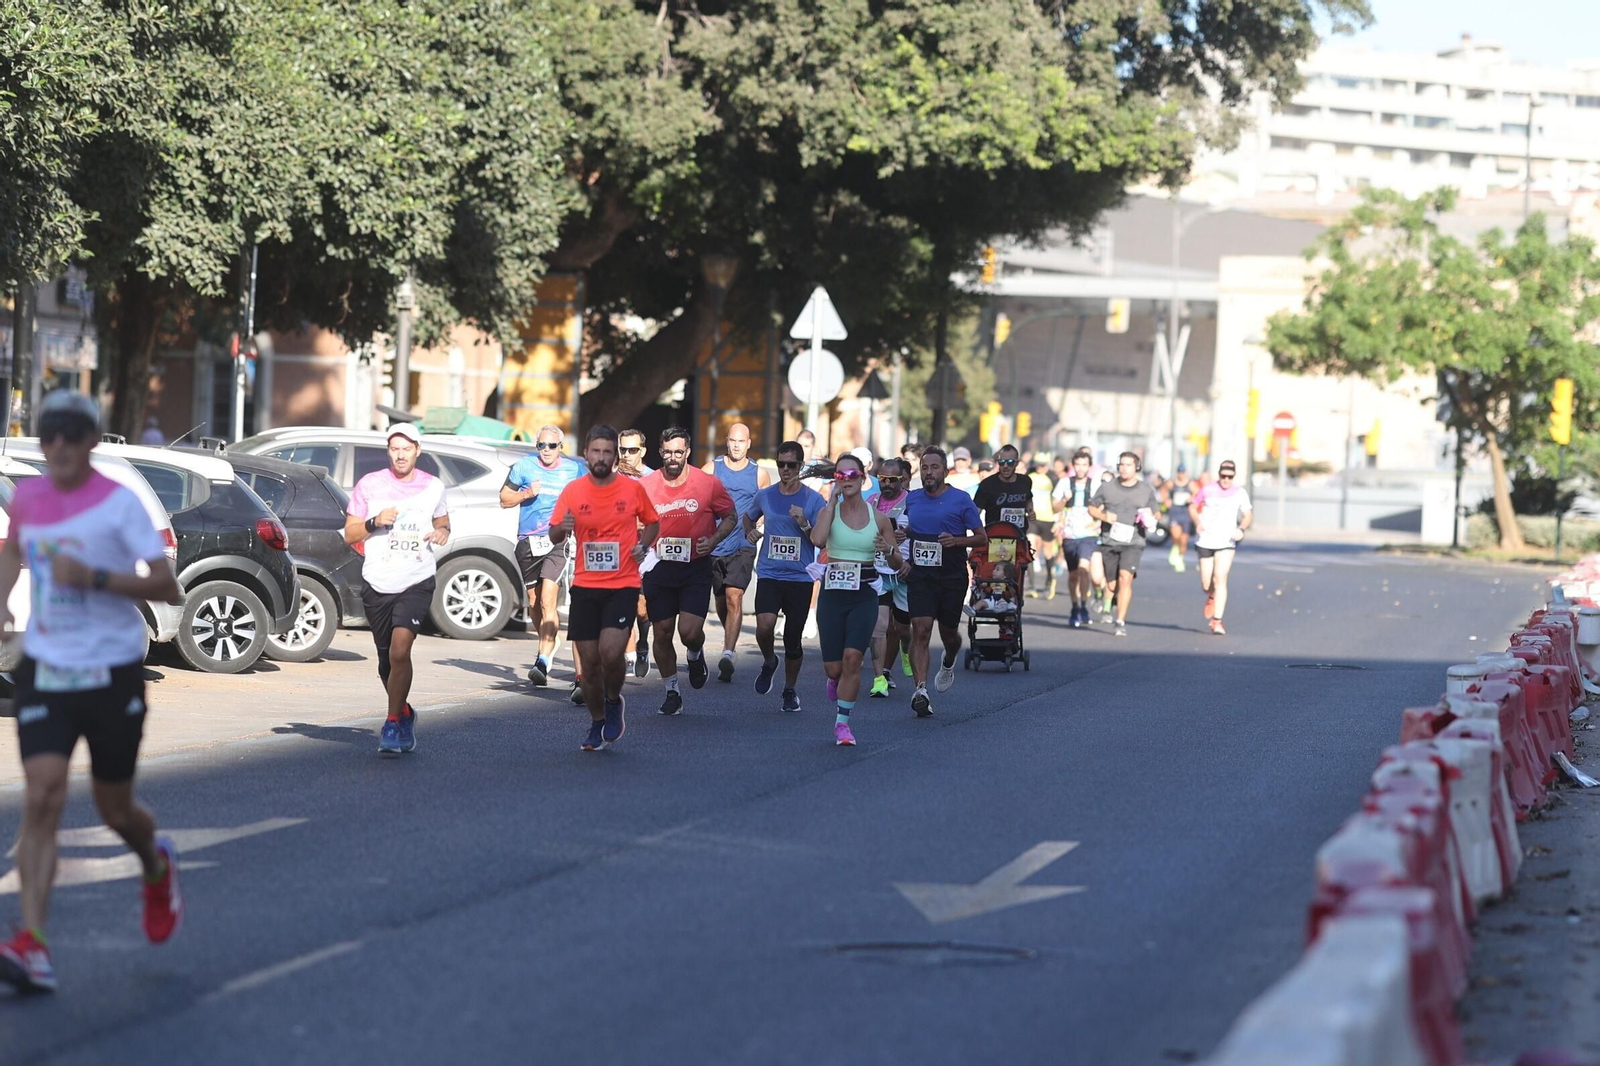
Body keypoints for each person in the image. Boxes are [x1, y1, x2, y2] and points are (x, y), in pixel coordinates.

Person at [0, 392, 185, 994]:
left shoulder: (119, 503)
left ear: (91, 441)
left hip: (111, 671)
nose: (58, 444)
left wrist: (98, 578)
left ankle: (155, 865)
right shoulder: (28, 498)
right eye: (49, 433)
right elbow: (12, 550)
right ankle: (33, 943)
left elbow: (168, 586)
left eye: (71, 433)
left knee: (115, 809)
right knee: (42, 795)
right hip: (47, 667)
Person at [549, 426, 661, 751]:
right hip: (585, 585)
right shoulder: (573, 491)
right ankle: (597, 720)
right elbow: (554, 534)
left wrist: (643, 545)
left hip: (622, 584)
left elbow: (653, 522)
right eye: (595, 451)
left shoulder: (632, 489)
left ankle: (613, 700)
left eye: (607, 452)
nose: (601, 457)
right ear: (586, 454)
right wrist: (562, 527)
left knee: (611, 654)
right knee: (588, 663)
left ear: (615, 457)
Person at [345, 423, 451, 753]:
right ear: (388, 451)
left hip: (416, 579)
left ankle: (391, 723)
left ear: (418, 451)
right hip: (378, 580)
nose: (401, 455)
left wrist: (443, 532)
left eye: (407, 449)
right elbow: (349, 534)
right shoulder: (369, 484)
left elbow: (443, 522)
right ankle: (404, 711)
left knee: (400, 650)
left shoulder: (433, 486)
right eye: (395, 449)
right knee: (385, 662)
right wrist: (375, 521)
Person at [810, 453, 905, 745]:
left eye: (852, 475)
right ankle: (833, 678)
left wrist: (888, 550)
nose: (846, 480)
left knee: (853, 659)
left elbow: (898, 563)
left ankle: (842, 724)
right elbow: (817, 540)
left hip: (864, 596)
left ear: (863, 478)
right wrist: (830, 503)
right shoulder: (830, 511)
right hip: (833, 596)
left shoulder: (879, 518)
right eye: (840, 475)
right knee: (834, 667)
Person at [642, 427, 737, 715]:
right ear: (661, 452)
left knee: (689, 631)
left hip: (695, 567)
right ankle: (672, 691)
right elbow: (634, 521)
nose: (673, 457)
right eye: (668, 452)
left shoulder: (707, 483)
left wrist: (714, 540)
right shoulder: (646, 485)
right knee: (661, 632)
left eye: (678, 452)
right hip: (658, 567)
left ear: (688, 452)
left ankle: (695, 654)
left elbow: (730, 516)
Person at [902, 447, 986, 716]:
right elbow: (912, 527)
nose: (928, 472)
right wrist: (904, 534)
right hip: (921, 575)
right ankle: (921, 691)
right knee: (921, 629)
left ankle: (949, 659)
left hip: (951, 575)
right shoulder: (913, 499)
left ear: (945, 472)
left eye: (934, 467)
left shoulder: (961, 499)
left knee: (949, 634)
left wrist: (957, 541)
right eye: (925, 467)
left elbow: (982, 538)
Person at [743, 440, 826, 713]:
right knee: (764, 627)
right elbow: (748, 517)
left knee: (792, 639)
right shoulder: (765, 495)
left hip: (800, 578)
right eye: (781, 464)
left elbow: (821, 539)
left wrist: (804, 523)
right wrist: (750, 531)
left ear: (800, 466)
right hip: (770, 573)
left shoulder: (813, 500)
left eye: (791, 465)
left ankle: (790, 689)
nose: (785, 469)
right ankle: (769, 661)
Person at [501, 425, 584, 689]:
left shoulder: (574, 469)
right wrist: (526, 493)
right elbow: (503, 499)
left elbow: (591, 494)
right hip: (528, 541)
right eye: (541, 445)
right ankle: (548, 641)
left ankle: (543, 661)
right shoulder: (523, 467)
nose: (546, 450)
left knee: (548, 598)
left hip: (559, 539)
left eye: (552, 446)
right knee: (534, 602)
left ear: (561, 447)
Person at [706, 422, 771, 683]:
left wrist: (759, 525)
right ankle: (729, 637)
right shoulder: (712, 468)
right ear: (727, 441)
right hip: (716, 543)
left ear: (749, 443)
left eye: (741, 441)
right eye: (732, 440)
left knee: (734, 596)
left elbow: (766, 507)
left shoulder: (759, 474)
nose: (736, 446)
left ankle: (728, 652)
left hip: (743, 543)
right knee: (721, 599)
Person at [1087, 451, 1161, 638]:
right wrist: (1104, 516)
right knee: (1112, 584)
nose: (1124, 468)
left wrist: (1149, 518)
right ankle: (1110, 599)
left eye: (1128, 465)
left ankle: (1120, 621)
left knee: (1125, 578)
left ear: (1137, 467)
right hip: (1109, 541)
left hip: (1134, 542)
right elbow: (1092, 508)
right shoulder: (1107, 488)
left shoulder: (1145, 490)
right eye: (1121, 464)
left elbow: (1157, 513)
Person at [1190, 459, 1253, 636]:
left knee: (1220, 578)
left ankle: (1217, 621)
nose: (1226, 480)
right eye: (1223, 476)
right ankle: (1211, 596)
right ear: (1219, 475)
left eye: (1230, 477)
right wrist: (1197, 522)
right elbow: (1193, 506)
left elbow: (1248, 514)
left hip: (1227, 541)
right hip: (1205, 540)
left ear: (1234, 477)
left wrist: (1241, 529)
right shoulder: (1207, 489)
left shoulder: (1240, 493)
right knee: (1206, 583)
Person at [869, 457, 913, 696]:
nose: (886, 484)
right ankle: (879, 679)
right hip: (879, 572)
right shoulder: (872, 502)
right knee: (880, 625)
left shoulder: (913, 503)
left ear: (902, 480)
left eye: (892, 480)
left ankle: (906, 649)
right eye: (882, 479)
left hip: (903, 572)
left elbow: (926, 534)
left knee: (903, 628)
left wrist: (911, 561)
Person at [616, 428, 655, 682]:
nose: (626, 455)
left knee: (642, 609)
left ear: (643, 451)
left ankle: (643, 643)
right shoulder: (612, 477)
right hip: (619, 551)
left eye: (632, 450)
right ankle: (628, 655)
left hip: (646, 551)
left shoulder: (653, 478)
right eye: (623, 449)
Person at [1052, 450, 1103, 627]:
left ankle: (1084, 606)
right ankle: (1075, 606)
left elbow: (1103, 505)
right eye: (1078, 464)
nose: (1081, 468)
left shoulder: (1095, 484)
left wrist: (1097, 516)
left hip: (1089, 534)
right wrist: (1064, 500)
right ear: (1073, 466)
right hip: (1069, 534)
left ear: (1089, 466)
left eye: (1084, 465)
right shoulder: (1065, 483)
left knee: (1083, 569)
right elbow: (1055, 507)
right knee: (1073, 575)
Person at [972, 445, 1035, 529]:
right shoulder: (987, 484)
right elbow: (975, 513)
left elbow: (1028, 499)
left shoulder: (1025, 481)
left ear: (1016, 463)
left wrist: (1030, 511)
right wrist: (979, 532)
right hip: (994, 534)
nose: (1005, 466)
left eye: (1010, 462)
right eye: (1001, 462)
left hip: (1019, 534)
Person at [1025, 460, 1061, 599]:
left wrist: (1059, 520)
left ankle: (1050, 581)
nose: (1040, 467)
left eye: (1043, 464)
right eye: (1038, 464)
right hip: (1033, 518)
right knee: (1031, 549)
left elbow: (1058, 500)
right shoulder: (1030, 476)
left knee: (1048, 553)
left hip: (1048, 518)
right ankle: (1031, 586)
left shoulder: (1053, 478)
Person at [1163, 467, 1197, 573]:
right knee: (1176, 535)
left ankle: (1180, 557)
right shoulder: (1172, 483)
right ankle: (1175, 548)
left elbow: (1198, 493)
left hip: (1186, 512)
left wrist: (1192, 499)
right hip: (1175, 511)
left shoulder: (1190, 484)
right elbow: (1163, 490)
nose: (1181, 475)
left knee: (1184, 540)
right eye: (1180, 472)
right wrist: (1166, 500)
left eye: (1183, 472)